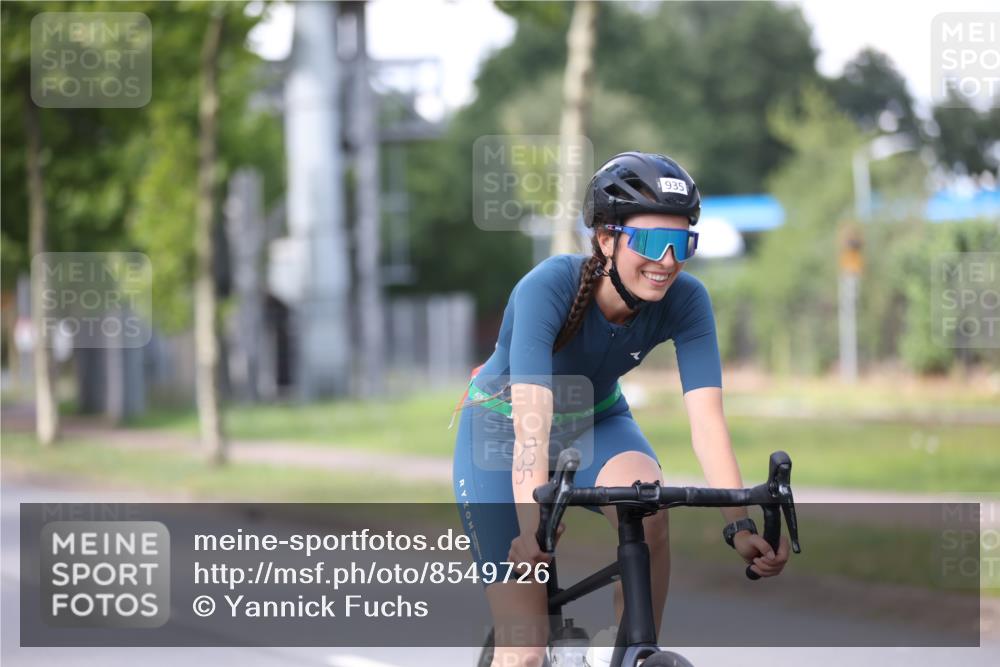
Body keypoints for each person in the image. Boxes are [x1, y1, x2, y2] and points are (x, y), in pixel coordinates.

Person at [451, 151, 790, 667]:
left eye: (682, 243)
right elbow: (532, 423)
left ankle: (627, 651)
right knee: (524, 651)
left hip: (596, 419)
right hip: (504, 428)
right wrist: (530, 526)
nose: (669, 260)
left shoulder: (688, 300)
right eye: (653, 242)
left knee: (647, 508)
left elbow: (707, 422)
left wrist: (738, 525)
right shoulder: (547, 287)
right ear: (606, 239)